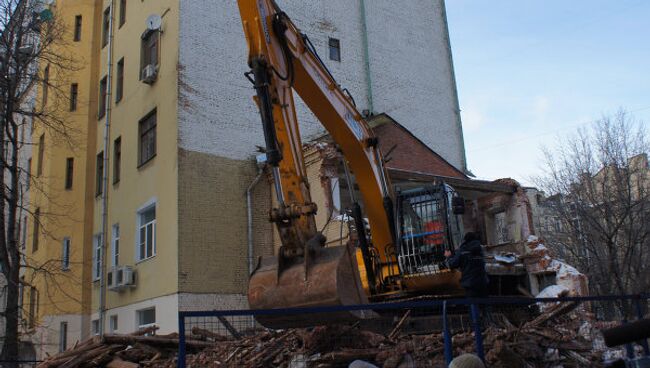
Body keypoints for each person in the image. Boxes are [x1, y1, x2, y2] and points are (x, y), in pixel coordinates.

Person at [444, 232, 489, 297]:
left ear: (465, 240)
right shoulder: (480, 249)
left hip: (470, 283)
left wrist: (448, 257)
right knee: (485, 303)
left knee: (473, 303)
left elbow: (452, 264)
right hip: (483, 281)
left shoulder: (463, 250)